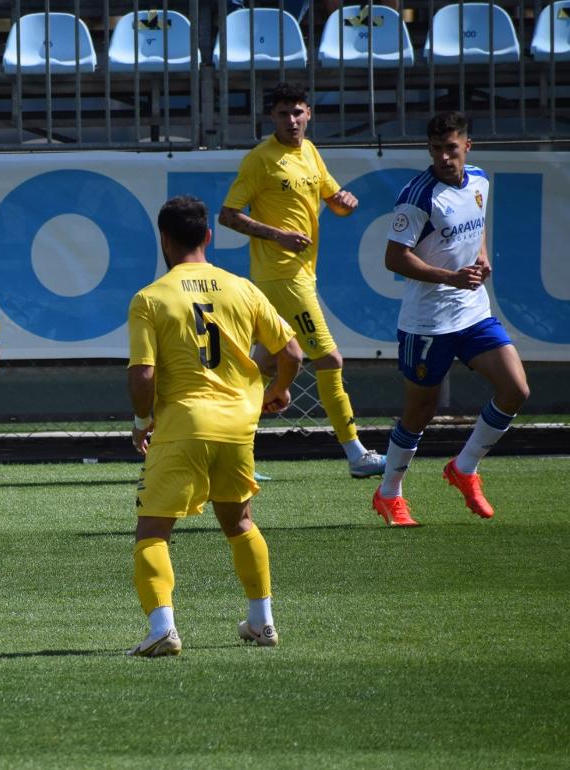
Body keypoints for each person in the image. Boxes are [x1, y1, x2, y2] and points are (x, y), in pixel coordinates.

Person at [126, 195, 303, 658]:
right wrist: (278, 390)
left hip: (183, 423)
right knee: (240, 521)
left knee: (152, 531)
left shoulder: (150, 297)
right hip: (237, 426)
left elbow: (143, 373)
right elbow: (293, 353)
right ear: (207, 236)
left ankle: (163, 628)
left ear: (163, 239)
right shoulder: (241, 287)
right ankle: (262, 622)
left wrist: (142, 420)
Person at [220, 81, 385, 480]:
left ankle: (230, 455)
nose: (291, 120)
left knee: (258, 363)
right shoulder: (261, 159)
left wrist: (346, 203)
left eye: (297, 112)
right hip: (282, 276)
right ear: (271, 117)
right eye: (283, 114)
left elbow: (334, 200)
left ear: (309, 113)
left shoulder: (310, 152)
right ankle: (356, 452)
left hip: (300, 274)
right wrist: (278, 235)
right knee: (328, 359)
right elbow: (228, 214)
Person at [371, 112, 530, 527]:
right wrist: (449, 277)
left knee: (515, 389)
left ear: (467, 147)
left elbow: (473, 225)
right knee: (419, 412)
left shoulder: (479, 179)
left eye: (452, 148)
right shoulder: (418, 196)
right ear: (429, 149)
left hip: (473, 312)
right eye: (437, 149)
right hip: (427, 322)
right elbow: (394, 258)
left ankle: (464, 467)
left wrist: (481, 257)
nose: (444, 156)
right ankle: (389, 494)